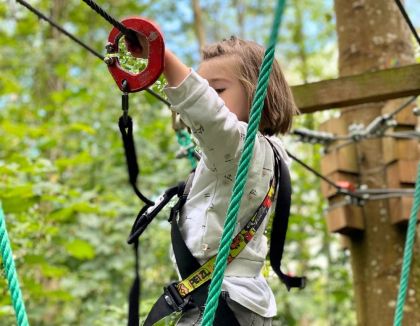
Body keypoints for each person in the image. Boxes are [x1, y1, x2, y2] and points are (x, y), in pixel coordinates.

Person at [127, 33, 299, 326]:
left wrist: (164, 57)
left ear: (259, 94)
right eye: (205, 90)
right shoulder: (270, 155)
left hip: (220, 300)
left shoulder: (244, 148)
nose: (210, 98)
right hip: (232, 303)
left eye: (217, 90)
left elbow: (212, 119)